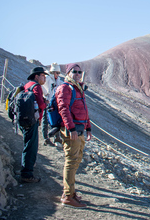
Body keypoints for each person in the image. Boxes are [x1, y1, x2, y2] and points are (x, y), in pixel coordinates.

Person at [57, 63, 92, 208]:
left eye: (79, 72)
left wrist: (88, 127)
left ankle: (71, 191)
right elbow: (63, 108)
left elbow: (84, 110)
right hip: (72, 130)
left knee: (76, 160)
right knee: (71, 160)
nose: (77, 74)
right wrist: (70, 128)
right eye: (74, 71)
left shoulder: (78, 88)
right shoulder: (66, 88)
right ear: (68, 73)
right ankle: (67, 195)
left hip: (80, 129)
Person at [20, 66, 49, 183]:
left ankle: (25, 167)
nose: (45, 78)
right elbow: (40, 104)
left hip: (24, 119)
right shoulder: (37, 87)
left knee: (27, 143)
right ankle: (27, 173)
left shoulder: (27, 85)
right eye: (43, 75)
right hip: (32, 120)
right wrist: (45, 103)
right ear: (36, 76)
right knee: (31, 146)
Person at [41, 62, 63, 146]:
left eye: (58, 73)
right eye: (56, 72)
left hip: (55, 103)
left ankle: (56, 137)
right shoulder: (47, 79)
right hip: (48, 102)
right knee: (46, 120)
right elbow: (43, 87)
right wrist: (46, 95)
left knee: (56, 120)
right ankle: (46, 138)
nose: (57, 74)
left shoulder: (58, 80)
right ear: (53, 72)